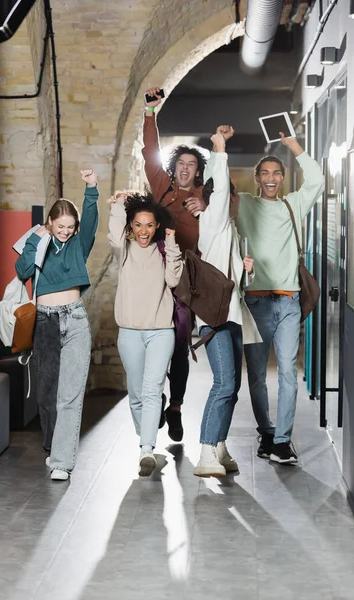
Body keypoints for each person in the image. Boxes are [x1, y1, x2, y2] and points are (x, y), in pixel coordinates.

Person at [236, 135, 325, 464]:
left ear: (282, 178)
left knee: (288, 371)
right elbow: (214, 195)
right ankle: (267, 432)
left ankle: (283, 441)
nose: (271, 178)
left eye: (276, 173)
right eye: (265, 173)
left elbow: (316, 178)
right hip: (255, 302)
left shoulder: (294, 205)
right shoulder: (244, 203)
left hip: (288, 302)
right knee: (257, 375)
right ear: (257, 178)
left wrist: (295, 147)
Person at [15, 169, 99, 481]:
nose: (64, 231)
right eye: (59, 226)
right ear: (50, 223)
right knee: (46, 392)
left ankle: (62, 462)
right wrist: (37, 240)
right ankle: (52, 445)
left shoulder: (79, 243)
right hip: (45, 322)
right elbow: (22, 271)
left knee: (70, 394)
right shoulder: (38, 241)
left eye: (69, 227)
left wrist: (91, 187)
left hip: (75, 318)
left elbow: (90, 216)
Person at [194, 126, 261, 478]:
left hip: (232, 314)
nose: (235, 200)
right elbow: (218, 192)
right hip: (216, 318)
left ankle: (218, 446)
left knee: (232, 385)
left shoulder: (230, 231)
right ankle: (205, 452)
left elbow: (235, 282)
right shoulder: (213, 220)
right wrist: (219, 150)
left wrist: (244, 269)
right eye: (231, 195)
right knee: (223, 383)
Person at [141, 86, 208, 443]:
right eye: (180, 164)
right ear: (174, 168)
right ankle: (157, 396)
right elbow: (151, 152)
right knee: (155, 340)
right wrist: (150, 113)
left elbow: (232, 208)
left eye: (191, 166)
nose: (184, 169)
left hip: (185, 283)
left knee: (180, 345)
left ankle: (176, 407)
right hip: (154, 277)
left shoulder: (204, 197)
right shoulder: (161, 188)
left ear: (197, 172)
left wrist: (207, 211)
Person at [107, 190, 183, 476]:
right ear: (131, 226)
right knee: (136, 394)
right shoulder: (124, 251)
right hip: (129, 332)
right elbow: (114, 237)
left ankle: (146, 450)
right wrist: (117, 204)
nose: (144, 231)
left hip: (161, 332)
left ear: (157, 226)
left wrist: (173, 241)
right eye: (138, 224)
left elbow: (175, 279)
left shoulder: (163, 250)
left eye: (149, 225)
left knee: (152, 391)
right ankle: (146, 440)